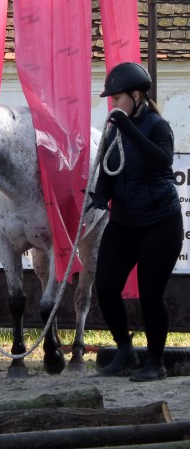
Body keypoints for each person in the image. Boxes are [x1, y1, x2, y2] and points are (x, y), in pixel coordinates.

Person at [88, 62, 183, 382]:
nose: (113, 104)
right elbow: (107, 166)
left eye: (117, 98)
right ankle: (125, 350)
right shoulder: (114, 129)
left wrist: (128, 129)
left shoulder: (158, 126)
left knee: (150, 295)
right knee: (105, 285)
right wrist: (100, 196)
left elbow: (163, 160)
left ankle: (154, 361)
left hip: (160, 223)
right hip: (125, 222)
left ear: (137, 95)